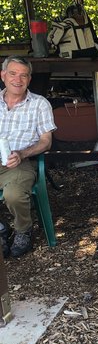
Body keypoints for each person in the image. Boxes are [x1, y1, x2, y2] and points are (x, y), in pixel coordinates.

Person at [0, 55, 56, 258]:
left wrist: (22, 153)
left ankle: (23, 230)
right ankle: (1, 229)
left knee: (13, 194)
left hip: (20, 162)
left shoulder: (39, 104)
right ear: (3, 75)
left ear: (29, 79)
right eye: (13, 74)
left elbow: (46, 142)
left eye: (23, 75)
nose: (18, 79)